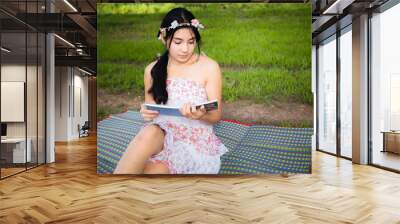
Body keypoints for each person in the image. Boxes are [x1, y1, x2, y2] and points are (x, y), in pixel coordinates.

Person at [113, 7, 228, 174]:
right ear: (164, 39)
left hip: (193, 140)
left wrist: (200, 114)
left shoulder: (209, 67)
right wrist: (147, 112)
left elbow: (216, 115)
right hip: (161, 134)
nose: (185, 49)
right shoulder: (152, 70)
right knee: (150, 131)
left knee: (152, 172)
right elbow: (152, 111)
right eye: (178, 42)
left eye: (191, 41)